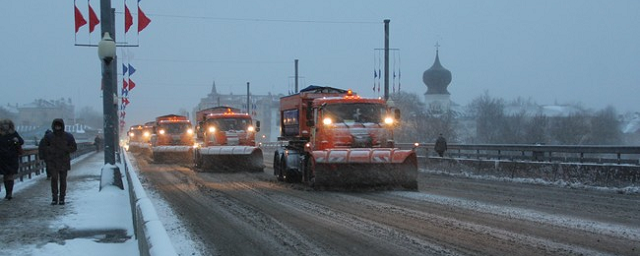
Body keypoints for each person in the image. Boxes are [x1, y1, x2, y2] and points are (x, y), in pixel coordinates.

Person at [42, 118, 77, 205]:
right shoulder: (49, 136)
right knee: (54, 179)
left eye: (59, 126)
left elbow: (74, 147)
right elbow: (43, 147)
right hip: (53, 161)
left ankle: (62, 198)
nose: (58, 127)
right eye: (56, 126)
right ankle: (54, 197)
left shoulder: (68, 136)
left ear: (62, 126)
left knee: (62, 180)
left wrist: (66, 149)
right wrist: (50, 151)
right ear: (54, 126)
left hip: (63, 160)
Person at [0, 119, 24, 200]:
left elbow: (21, 141)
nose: (5, 126)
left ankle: (9, 193)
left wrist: (16, 141)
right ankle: (6, 192)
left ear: (10, 125)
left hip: (12, 158)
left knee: (9, 175)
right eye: (4, 124)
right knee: (5, 175)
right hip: (2, 158)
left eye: (7, 124)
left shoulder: (13, 133)